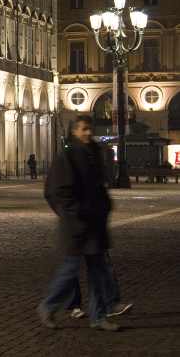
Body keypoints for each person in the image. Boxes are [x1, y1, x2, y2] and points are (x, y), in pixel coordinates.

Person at [38, 116, 119, 331]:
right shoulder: (68, 156)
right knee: (69, 271)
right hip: (76, 225)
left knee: (99, 273)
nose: (88, 133)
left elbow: (99, 186)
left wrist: (105, 205)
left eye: (90, 129)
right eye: (84, 129)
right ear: (74, 131)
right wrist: (72, 214)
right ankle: (48, 306)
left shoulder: (94, 153)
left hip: (95, 223)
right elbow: (56, 192)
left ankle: (98, 316)